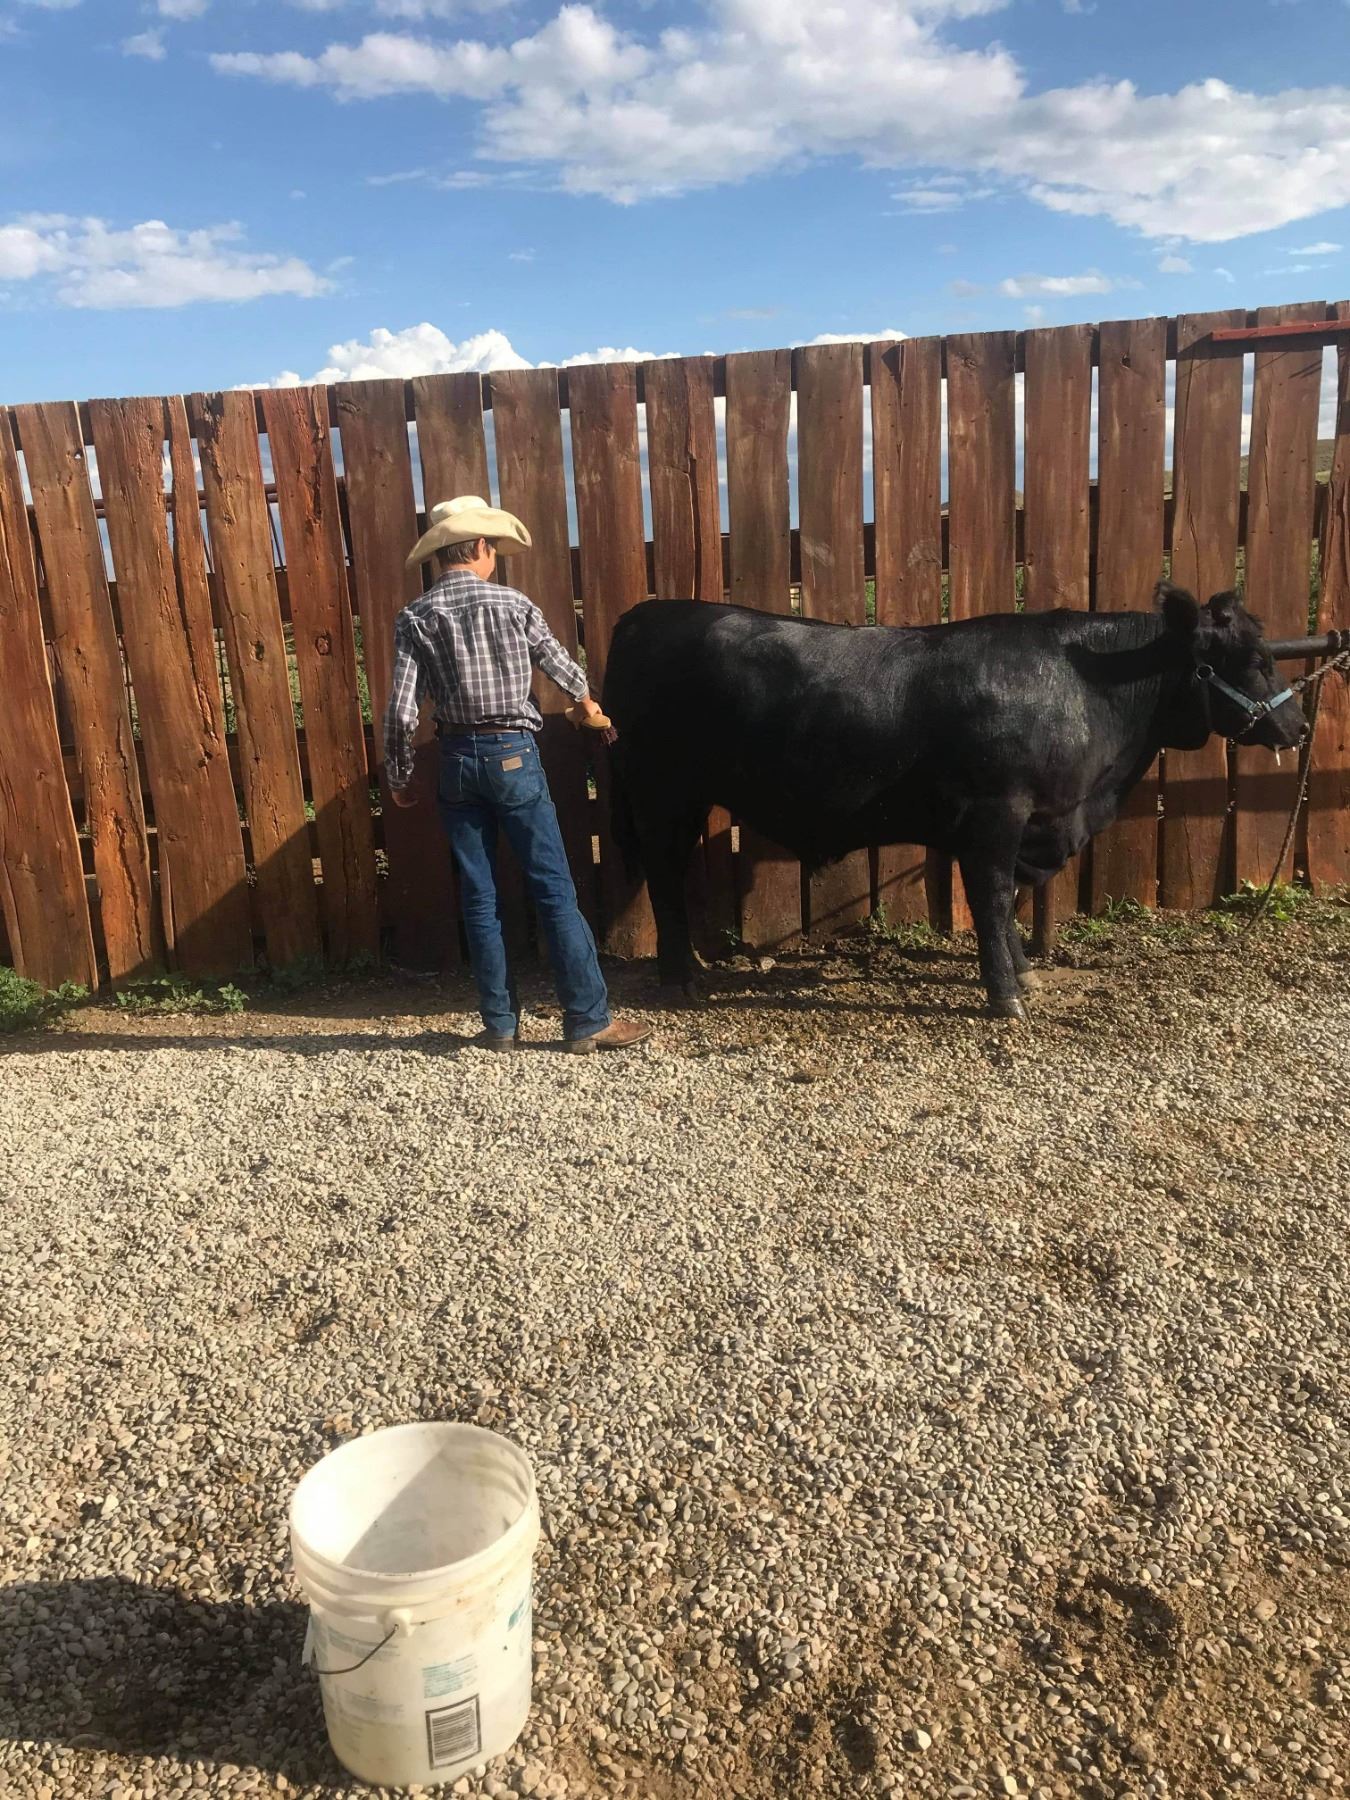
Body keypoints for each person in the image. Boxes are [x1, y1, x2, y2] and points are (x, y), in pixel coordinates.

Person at [383, 495, 651, 1055]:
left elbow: (402, 711)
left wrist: (401, 773)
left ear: (441, 554)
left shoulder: (416, 616)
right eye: (493, 550)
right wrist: (584, 701)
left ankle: (500, 1025)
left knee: (479, 896)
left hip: (456, 760)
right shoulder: (513, 604)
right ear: (481, 546)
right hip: (512, 755)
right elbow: (557, 662)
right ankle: (587, 1020)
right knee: (552, 886)